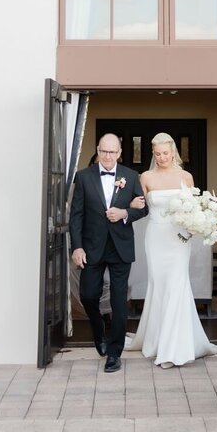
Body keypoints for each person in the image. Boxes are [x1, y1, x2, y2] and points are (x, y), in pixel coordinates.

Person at [127, 132, 217, 368]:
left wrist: (192, 229)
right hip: (156, 236)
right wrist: (130, 204)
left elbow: (194, 209)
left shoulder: (186, 177)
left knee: (177, 286)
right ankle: (158, 342)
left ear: (173, 152)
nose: (161, 158)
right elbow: (140, 206)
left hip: (179, 239)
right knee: (159, 286)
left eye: (165, 153)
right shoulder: (145, 177)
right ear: (153, 154)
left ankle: (174, 348)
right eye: (157, 154)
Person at [70, 132, 147, 373]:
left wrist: (124, 213)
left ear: (120, 153)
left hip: (120, 247)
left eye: (112, 152)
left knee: (118, 301)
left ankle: (114, 353)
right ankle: (98, 330)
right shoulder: (83, 177)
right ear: (97, 150)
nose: (107, 156)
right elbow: (76, 215)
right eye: (104, 151)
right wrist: (77, 246)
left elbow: (143, 208)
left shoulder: (131, 176)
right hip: (92, 247)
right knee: (89, 295)